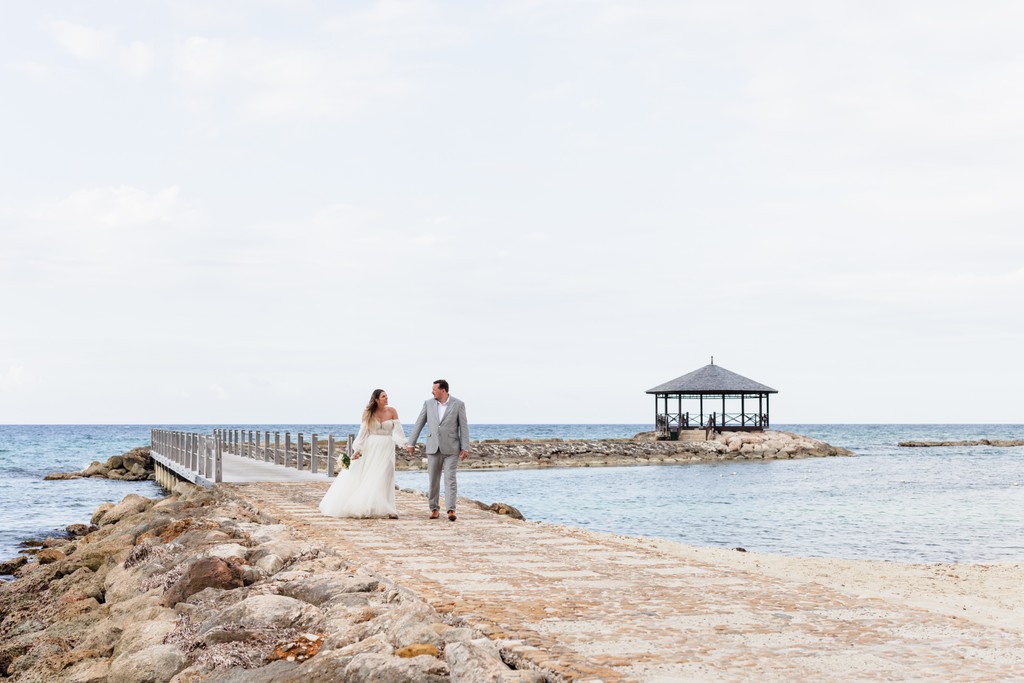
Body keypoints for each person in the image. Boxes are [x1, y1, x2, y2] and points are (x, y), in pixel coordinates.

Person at [319, 389, 406, 518]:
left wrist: (405, 444)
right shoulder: (368, 413)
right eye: (383, 396)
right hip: (371, 447)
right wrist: (357, 449)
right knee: (371, 475)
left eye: (387, 396)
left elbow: (398, 432)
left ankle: (389, 508)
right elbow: (363, 433)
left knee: (386, 475)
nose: (387, 398)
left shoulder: (392, 411)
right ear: (376, 399)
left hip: (387, 447)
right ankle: (367, 506)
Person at [406, 379, 469, 521]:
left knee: (450, 479)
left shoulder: (458, 404)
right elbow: (419, 423)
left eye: (434, 389)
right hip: (433, 447)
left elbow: (463, 427)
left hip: (452, 448)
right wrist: (411, 443)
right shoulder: (428, 404)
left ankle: (451, 510)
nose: (432, 391)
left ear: (443, 390)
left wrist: (465, 447)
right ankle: (434, 508)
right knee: (433, 480)